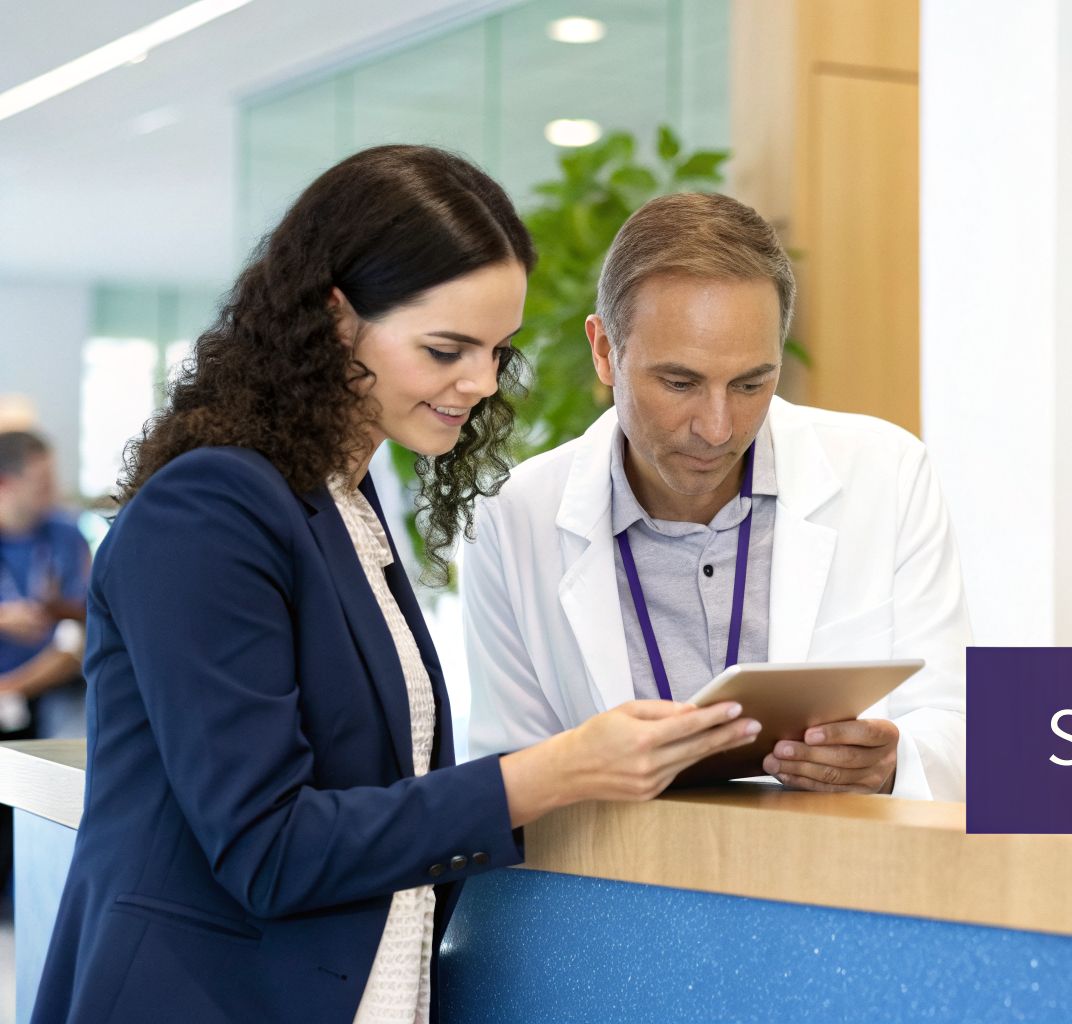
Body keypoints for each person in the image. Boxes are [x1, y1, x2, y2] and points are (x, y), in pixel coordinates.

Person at [34, 146, 763, 1024]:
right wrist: (552, 771)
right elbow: (270, 850)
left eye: (497, 350)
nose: (481, 383)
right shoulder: (212, 507)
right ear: (335, 319)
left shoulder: (347, 507)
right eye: (446, 348)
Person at [463, 192, 968, 802]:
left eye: (752, 383)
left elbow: (959, 726)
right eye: (679, 383)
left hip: (836, 880)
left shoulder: (888, 471)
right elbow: (508, 774)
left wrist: (891, 764)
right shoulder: (515, 514)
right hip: (617, 889)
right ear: (604, 351)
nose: (718, 427)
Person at [0, 430, 90, 739]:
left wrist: (13, 688)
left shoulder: (66, 534)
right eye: (41, 483)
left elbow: (83, 621)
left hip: (53, 687)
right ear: (6, 484)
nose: (52, 491)